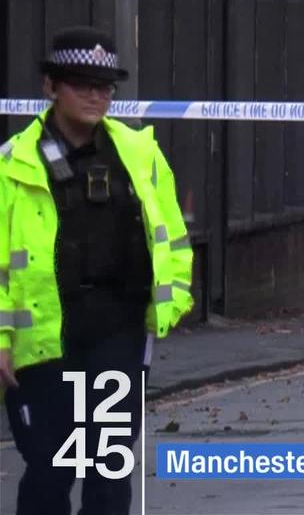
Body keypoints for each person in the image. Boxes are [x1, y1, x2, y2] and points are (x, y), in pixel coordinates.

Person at [0, 26, 194, 515]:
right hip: (44, 338)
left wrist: (174, 301)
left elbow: (171, 235)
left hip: (116, 331)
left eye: (104, 86)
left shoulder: (139, 154)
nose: (95, 95)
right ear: (50, 88)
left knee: (105, 469)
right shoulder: (12, 165)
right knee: (49, 468)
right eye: (80, 84)